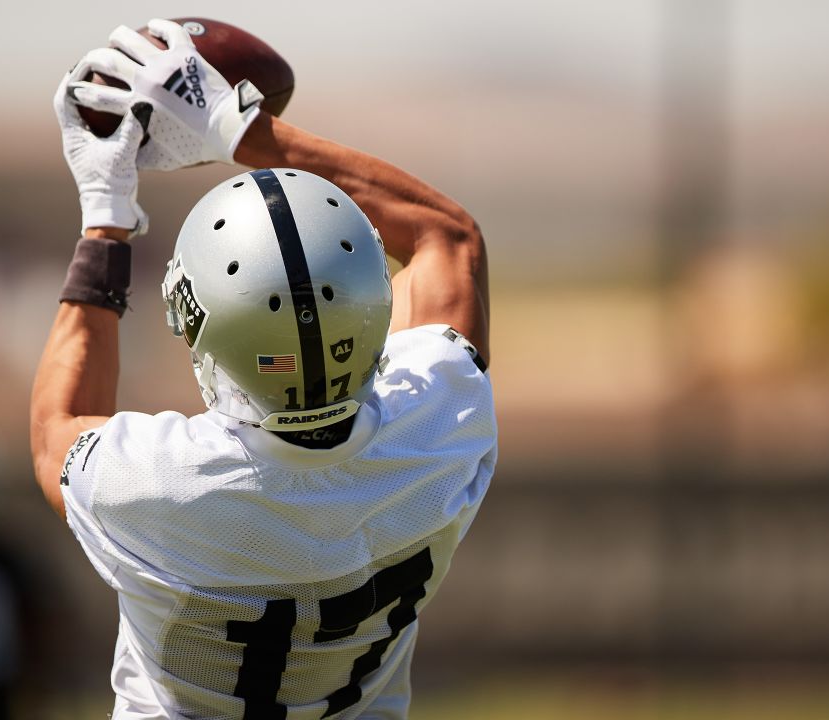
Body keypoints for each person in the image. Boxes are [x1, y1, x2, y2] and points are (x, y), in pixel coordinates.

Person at [30, 19, 496, 719]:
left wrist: (106, 214)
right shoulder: (442, 427)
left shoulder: (159, 487)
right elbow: (444, 237)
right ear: (376, 313)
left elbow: (54, 428)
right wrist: (237, 128)